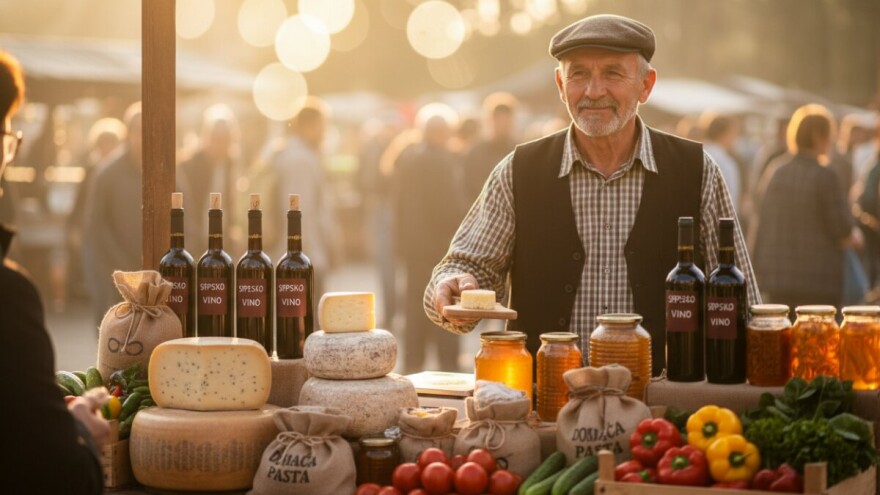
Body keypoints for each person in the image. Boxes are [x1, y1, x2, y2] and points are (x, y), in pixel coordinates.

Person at [424, 14, 760, 376]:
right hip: (547, 400)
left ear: (646, 85)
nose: (594, 91)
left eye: (613, 73)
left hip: (661, 402)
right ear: (560, 85)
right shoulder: (519, 171)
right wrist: (452, 285)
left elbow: (742, 300)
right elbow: (470, 267)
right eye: (579, 74)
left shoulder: (696, 170)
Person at [0, 49, 109, 494]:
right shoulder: (8, 298)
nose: (8, 158)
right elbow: (61, 475)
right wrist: (79, 426)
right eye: (7, 140)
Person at [752, 104, 861, 309]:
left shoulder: (776, 171)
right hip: (818, 281)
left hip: (778, 279)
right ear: (819, 137)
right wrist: (856, 237)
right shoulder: (826, 176)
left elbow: (760, 222)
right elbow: (841, 230)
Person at [395, 104, 466, 372]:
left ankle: (413, 366)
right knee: (446, 306)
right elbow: (449, 209)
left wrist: (401, 244)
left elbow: (397, 206)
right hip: (440, 248)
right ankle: (448, 368)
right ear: (442, 132)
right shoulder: (443, 162)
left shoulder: (408, 159)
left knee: (415, 309)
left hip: (413, 249)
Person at [265, 97, 340, 295]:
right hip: (304, 258)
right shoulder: (301, 160)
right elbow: (301, 212)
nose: (325, 132)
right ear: (309, 126)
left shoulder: (289, 153)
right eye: (322, 126)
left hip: (294, 256)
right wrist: (316, 255)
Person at [82, 102, 143, 325]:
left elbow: (186, 216)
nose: (144, 138)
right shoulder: (107, 173)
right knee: (113, 329)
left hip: (153, 275)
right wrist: (121, 265)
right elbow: (96, 225)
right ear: (129, 134)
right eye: (139, 131)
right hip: (113, 272)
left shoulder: (167, 170)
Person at [177, 104, 242, 258]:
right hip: (192, 242)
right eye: (216, 138)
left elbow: (230, 205)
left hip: (220, 242)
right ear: (206, 137)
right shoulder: (190, 165)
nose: (220, 144)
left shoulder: (230, 165)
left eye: (225, 139)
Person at [463, 92, 520, 206]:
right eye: (499, 119)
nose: (503, 124)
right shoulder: (475, 153)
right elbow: (469, 188)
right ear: (489, 120)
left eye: (507, 119)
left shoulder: (520, 151)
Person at [699, 112, 742, 214]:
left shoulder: (694, 155)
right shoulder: (726, 163)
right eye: (733, 133)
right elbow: (730, 204)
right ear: (724, 134)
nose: (735, 139)